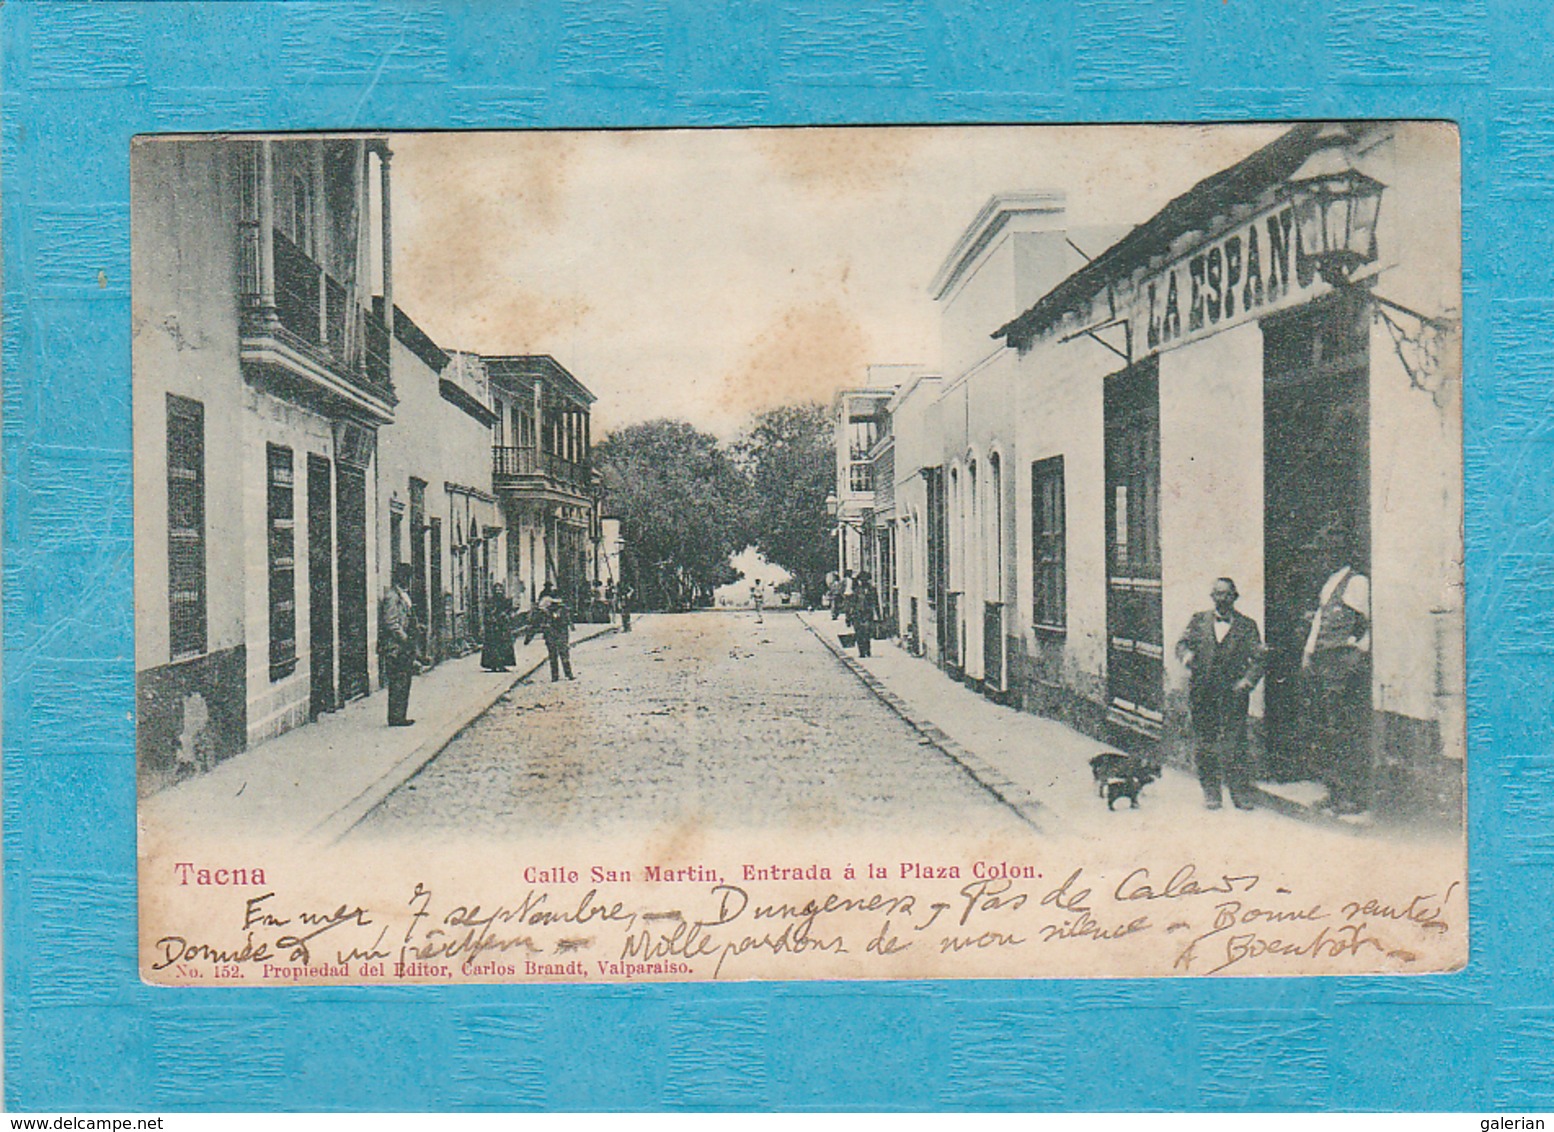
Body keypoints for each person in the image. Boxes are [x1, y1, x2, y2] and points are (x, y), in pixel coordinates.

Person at [1175, 577, 1267, 810]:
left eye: (1226, 594)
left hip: (1233, 693)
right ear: (1212, 596)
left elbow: (1259, 658)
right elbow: (1182, 644)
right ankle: (1211, 791)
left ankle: (1239, 793)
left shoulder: (1248, 625)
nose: (1221, 598)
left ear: (1234, 597)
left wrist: (1248, 680)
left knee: (1235, 743)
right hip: (1203, 692)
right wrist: (1187, 656)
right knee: (1206, 742)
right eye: (1217, 593)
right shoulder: (1198, 621)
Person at [1303, 554, 1372, 814]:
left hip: (1342, 662)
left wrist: (1357, 653)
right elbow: (1319, 622)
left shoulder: (1356, 582)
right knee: (1326, 728)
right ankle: (1333, 791)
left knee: (1343, 727)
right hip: (1324, 662)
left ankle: (1350, 796)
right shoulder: (1331, 582)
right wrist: (1308, 654)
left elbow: (1365, 623)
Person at [377, 563, 421, 727]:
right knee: (398, 682)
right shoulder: (392, 597)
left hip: (403, 647)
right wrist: (405, 638)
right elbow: (391, 623)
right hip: (396, 647)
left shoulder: (402, 595)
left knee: (404, 681)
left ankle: (400, 715)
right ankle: (396, 717)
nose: (408, 580)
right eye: (406, 577)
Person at [526, 584, 575, 682]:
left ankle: (567, 675)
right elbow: (535, 624)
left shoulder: (562, 610)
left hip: (558, 635)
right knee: (555, 655)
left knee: (561, 654)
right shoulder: (546, 613)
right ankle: (557, 676)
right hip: (552, 635)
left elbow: (567, 622)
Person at [480, 582, 516, 672]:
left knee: (503, 646)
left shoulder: (505, 601)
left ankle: (502, 665)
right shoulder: (490, 601)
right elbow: (487, 613)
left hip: (503, 627)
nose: (498, 592)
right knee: (492, 646)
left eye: (500, 590)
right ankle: (492, 665)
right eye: (496, 590)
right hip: (492, 627)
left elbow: (509, 612)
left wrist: (507, 616)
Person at [849, 571, 882, 658]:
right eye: (862, 580)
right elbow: (852, 603)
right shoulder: (856, 590)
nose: (863, 581)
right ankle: (861, 651)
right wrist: (850, 615)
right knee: (859, 633)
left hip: (867, 613)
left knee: (867, 633)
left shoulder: (872, 590)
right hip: (857, 613)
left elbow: (876, 602)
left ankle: (867, 650)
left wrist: (878, 615)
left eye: (865, 580)